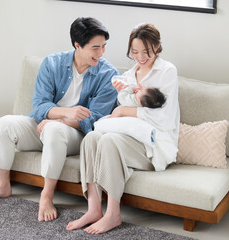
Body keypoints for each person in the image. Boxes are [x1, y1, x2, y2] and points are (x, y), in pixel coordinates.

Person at [0, 17, 118, 223]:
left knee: (53, 131)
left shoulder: (108, 74)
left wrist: (60, 122)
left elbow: (95, 121)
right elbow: (39, 105)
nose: (101, 53)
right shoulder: (52, 64)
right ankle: (1, 185)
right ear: (78, 45)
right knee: (4, 123)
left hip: (76, 134)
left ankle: (46, 195)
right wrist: (65, 113)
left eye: (104, 46)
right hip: (45, 124)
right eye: (95, 48)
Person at [67, 23, 180, 234]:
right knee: (92, 137)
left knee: (109, 140)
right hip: (130, 136)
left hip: (154, 144)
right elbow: (126, 105)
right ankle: (93, 209)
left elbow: (164, 118)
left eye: (146, 52)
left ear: (157, 46)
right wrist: (120, 98)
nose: (140, 57)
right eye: (134, 52)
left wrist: (122, 111)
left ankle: (113, 214)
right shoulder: (129, 74)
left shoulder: (167, 72)